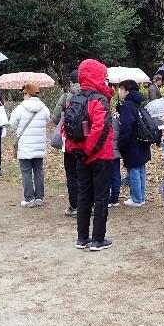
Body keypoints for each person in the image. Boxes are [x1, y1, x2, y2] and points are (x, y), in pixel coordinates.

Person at [69, 59, 115, 251]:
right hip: (100, 156)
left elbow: (67, 127)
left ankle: (82, 238)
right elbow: (100, 129)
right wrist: (89, 151)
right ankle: (98, 239)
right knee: (101, 196)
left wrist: (78, 151)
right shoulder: (99, 99)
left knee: (83, 195)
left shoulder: (75, 99)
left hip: (80, 156)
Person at [9, 83, 51, 207]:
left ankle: (29, 199)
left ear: (27, 94)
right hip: (39, 145)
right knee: (39, 171)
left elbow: (12, 123)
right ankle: (39, 198)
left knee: (26, 172)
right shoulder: (44, 108)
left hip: (25, 145)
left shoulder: (20, 108)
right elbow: (47, 120)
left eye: (24, 94)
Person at [117, 80, 152, 207]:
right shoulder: (137, 102)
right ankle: (141, 197)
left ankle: (136, 199)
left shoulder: (127, 105)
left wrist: (121, 143)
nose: (119, 92)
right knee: (141, 169)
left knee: (133, 170)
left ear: (127, 90)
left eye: (120, 89)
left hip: (132, 142)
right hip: (142, 140)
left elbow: (126, 127)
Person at [51, 70, 81, 215]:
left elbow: (56, 118)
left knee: (71, 174)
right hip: (88, 141)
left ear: (71, 82)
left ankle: (75, 206)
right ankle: (90, 204)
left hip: (69, 141)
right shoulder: (90, 94)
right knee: (87, 172)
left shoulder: (65, 97)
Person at [109, 114, 122, 208]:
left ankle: (108, 198)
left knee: (106, 176)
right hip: (116, 154)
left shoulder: (103, 121)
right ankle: (115, 198)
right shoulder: (116, 122)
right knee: (116, 175)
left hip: (106, 154)